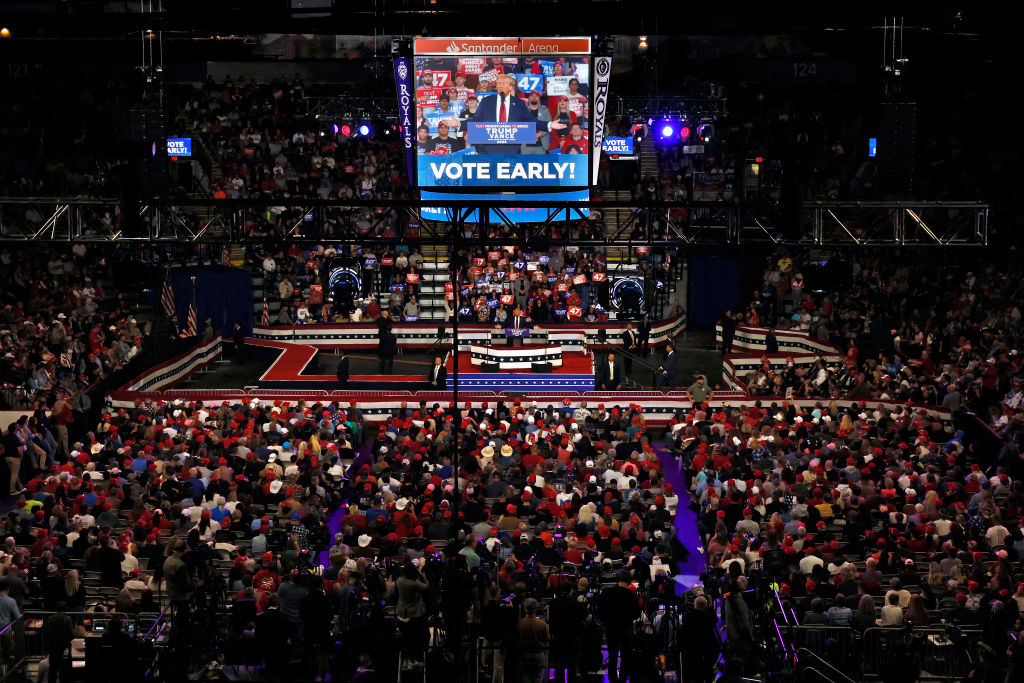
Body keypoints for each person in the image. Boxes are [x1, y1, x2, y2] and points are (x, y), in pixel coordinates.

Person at [471, 74, 565, 154]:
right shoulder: (488, 103)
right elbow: (479, 124)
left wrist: (548, 125)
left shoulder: (519, 105)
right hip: (492, 150)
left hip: (513, 150)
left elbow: (531, 122)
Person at [599, 571, 640, 683]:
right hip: (626, 628)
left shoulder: (607, 592)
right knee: (625, 656)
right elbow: (636, 613)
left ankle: (612, 679)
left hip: (611, 628)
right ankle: (622, 679)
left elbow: (600, 611)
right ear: (628, 581)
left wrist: (607, 621)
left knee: (612, 655)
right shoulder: (630, 594)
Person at [396, 559, 430, 669]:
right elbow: (426, 586)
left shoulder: (399, 580)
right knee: (416, 637)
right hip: (413, 614)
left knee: (405, 637)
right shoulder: (413, 583)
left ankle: (405, 659)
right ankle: (415, 659)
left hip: (401, 612)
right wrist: (421, 574)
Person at [518, 598, 550, 683]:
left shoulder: (520, 624)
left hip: (524, 654)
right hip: (538, 654)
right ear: (536, 608)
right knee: (538, 679)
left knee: (526, 678)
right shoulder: (542, 624)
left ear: (524, 609)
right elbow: (547, 638)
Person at [44, 601, 74, 683]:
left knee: (52, 671)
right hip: (64, 648)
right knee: (65, 672)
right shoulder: (68, 619)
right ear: (65, 609)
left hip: (53, 648)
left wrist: (46, 649)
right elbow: (71, 635)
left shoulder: (50, 619)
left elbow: (46, 635)